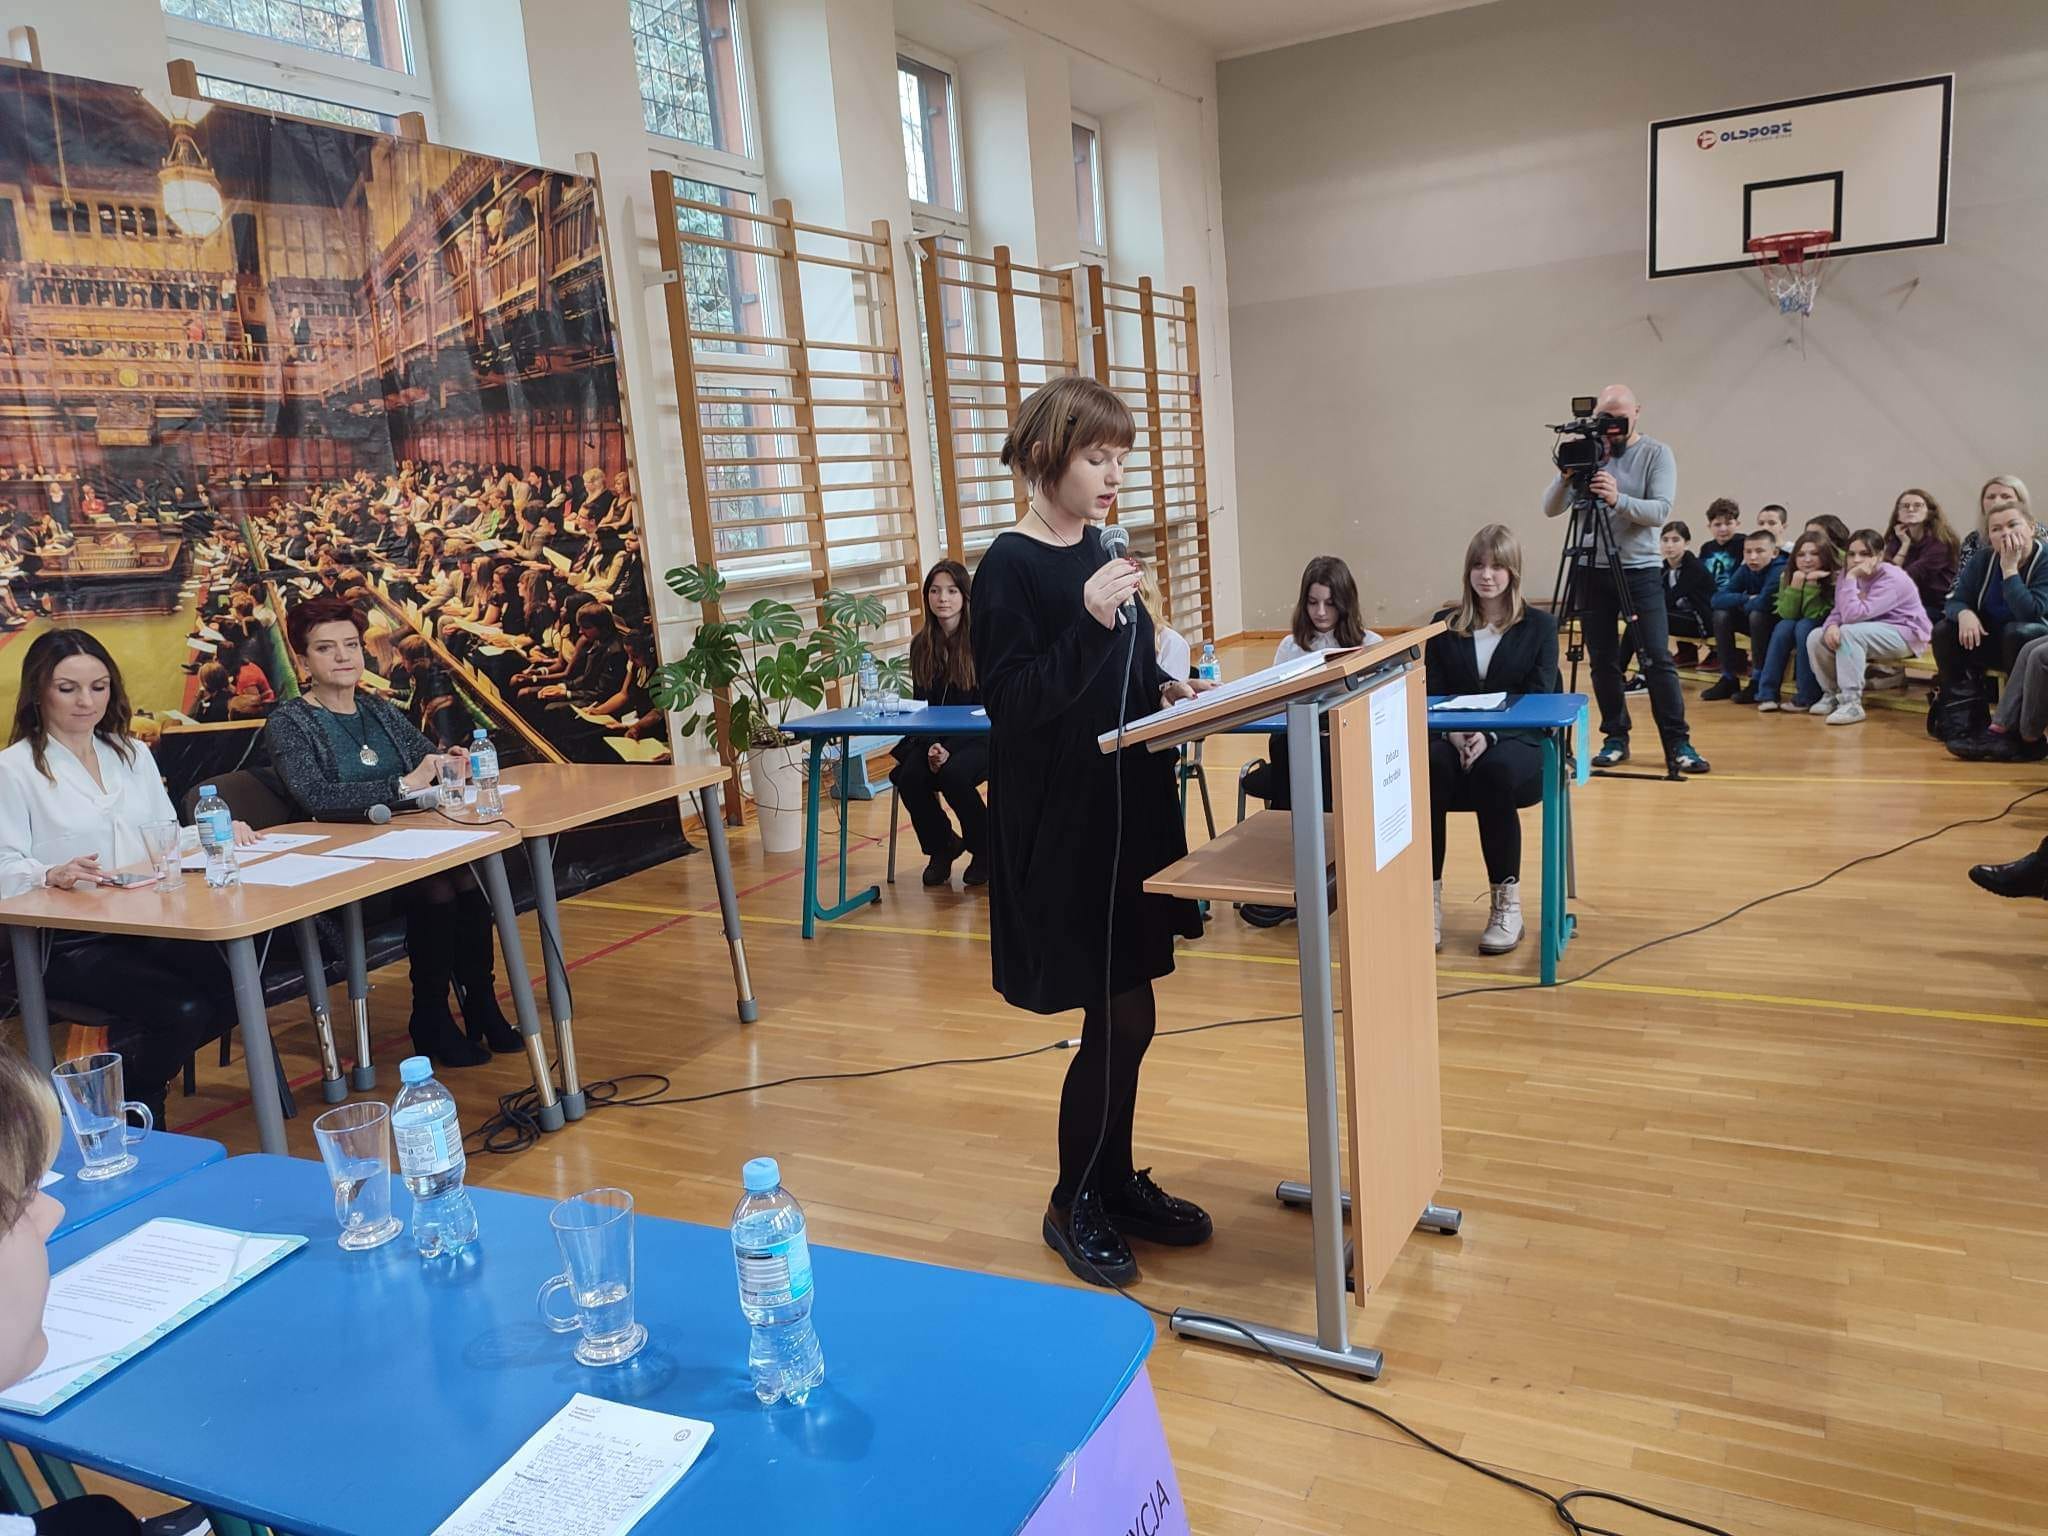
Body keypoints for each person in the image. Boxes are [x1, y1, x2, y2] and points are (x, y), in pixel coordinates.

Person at [970, 375, 1210, 1288]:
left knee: (1133, 1013)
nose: (1114, 477)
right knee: (1115, 1016)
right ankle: (1072, 1201)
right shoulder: (1010, 567)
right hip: (1064, 828)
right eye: (1097, 458)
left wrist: (1168, 690)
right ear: (1046, 457)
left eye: (1120, 460)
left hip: (1127, 811)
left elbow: (1124, 672)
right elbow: (1016, 705)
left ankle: (1112, 1183)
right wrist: (1089, 619)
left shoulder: (1104, 553)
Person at [0, 630, 255, 1127]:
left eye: (98, 687)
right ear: (38, 692)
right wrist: (49, 872)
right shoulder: (13, 770)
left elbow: (162, 837)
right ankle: (134, 1099)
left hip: (148, 923)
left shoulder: (131, 753)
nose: (86, 701)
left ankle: (125, 1087)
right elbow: (4, 867)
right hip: (65, 943)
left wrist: (213, 832)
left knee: (239, 985)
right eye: (68, 688)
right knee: (181, 1008)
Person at [264, 598, 518, 1067]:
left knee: (467, 877)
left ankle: (481, 1002)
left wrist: (449, 761)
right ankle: (430, 1016)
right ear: (302, 661)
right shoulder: (288, 722)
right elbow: (316, 797)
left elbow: (425, 758)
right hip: (342, 866)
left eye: (350, 645)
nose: (343, 656)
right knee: (437, 885)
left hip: (403, 848)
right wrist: (403, 784)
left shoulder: (375, 707)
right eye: (325, 648)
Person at [1541, 384, 1707, 772]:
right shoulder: (1588, 452)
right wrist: (1566, 476)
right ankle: (1615, 736)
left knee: (1657, 658)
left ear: (1637, 412)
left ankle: (1678, 742)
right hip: (1590, 569)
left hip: (1639, 570)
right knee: (1602, 660)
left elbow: (1660, 511)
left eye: (1619, 418)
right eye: (1605, 419)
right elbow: (1550, 508)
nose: (1612, 427)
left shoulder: (1656, 454)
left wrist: (1618, 499)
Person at [1424, 525, 1559, 956]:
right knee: (1428, 767)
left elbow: (1539, 697)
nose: (1487, 575)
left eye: (1497, 566)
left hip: (1518, 739)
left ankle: (1507, 906)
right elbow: (1431, 694)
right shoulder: (1443, 625)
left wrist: (1491, 734)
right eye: (1478, 565)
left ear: (1513, 571)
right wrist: (1454, 732)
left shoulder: (1540, 626)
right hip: (1452, 735)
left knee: (1494, 772)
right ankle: (1427, 903)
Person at [891, 560, 989, 888]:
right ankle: (942, 846)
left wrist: (948, 750)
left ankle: (985, 849)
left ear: (965, 596)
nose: (942, 598)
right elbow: (921, 706)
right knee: (909, 776)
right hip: (933, 738)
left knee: (953, 774)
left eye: (951, 591)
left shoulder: (981, 641)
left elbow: (985, 708)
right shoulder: (922, 645)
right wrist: (932, 743)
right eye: (935, 591)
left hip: (979, 738)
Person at [1929, 499, 2048, 740]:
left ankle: (2014, 729)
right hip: (1991, 639)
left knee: (2018, 631)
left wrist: (2010, 570)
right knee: (1944, 630)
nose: (2005, 533)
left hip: (2031, 644)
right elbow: (1954, 600)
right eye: (1996, 529)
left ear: (2031, 528)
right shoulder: (1983, 559)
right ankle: (1964, 719)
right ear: (1989, 537)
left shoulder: (2044, 560)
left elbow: (2030, 612)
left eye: (2013, 525)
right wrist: (1964, 613)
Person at [1807, 529, 1933, 725]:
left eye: (1864, 554)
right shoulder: (1846, 574)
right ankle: (1832, 694)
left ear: (1879, 556)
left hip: (1904, 633)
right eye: (1851, 554)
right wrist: (1831, 625)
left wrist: (1851, 578)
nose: (1856, 560)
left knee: (1848, 633)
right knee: (1816, 636)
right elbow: (1840, 610)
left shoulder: (1892, 578)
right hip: (1866, 630)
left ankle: (1852, 703)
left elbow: (1853, 615)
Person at [1755, 533, 1836, 712]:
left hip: (1828, 625)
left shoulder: (1833, 577)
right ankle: (1767, 694)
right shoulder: (1789, 575)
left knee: (1803, 627)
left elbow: (1813, 614)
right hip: (1799, 623)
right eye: (1801, 554)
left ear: (1825, 555)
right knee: (1783, 626)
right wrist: (1795, 587)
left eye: (1814, 554)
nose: (1807, 559)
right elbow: (1787, 614)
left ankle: (1806, 696)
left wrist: (1812, 584)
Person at [1703, 530, 1784, 703]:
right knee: (1721, 615)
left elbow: (1764, 603)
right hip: (1753, 619)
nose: (1753, 557)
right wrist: (1746, 598)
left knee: (1757, 615)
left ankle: (1758, 679)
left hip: (1776, 624)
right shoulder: (1745, 569)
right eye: (1748, 552)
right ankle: (1728, 678)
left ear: (1774, 553)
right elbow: (1716, 599)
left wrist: (1743, 604)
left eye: (1759, 551)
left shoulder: (1779, 569)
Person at [1883, 487, 1960, 622]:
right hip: (1904, 603)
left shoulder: (1941, 542)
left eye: (1917, 505)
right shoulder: (1898, 539)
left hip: (1936, 607)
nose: (1911, 509)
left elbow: (1908, 577)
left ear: (1929, 512)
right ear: (1898, 514)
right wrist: (1905, 545)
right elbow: (1886, 575)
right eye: (1905, 506)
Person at [1659, 521, 1716, 658]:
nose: (1669, 545)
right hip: (1682, 616)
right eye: (1665, 540)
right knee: (1641, 617)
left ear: (1686, 543)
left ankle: (1657, 659)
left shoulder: (1693, 567)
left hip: (1702, 622)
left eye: (1675, 540)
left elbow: (1671, 597)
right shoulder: (1664, 567)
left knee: (1647, 618)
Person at [1697, 499, 1745, 594]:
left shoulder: (1744, 543)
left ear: (1737, 524)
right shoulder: (1706, 548)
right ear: (1709, 526)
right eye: (1717, 524)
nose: (1723, 529)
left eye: (1728, 523)